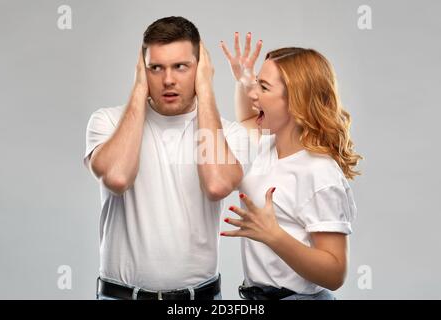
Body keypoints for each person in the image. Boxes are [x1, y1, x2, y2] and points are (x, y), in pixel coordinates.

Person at [83, 17, 247, 300]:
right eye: (155, 68)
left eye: (180, 67)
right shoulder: (107, 122)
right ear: (141, 70)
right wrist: (138, 89)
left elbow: (217, 185)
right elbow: (118, 178)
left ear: (201, 68)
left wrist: (206, 90)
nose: (168, 79)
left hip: (199, 300)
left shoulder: (228, 133)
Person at [220, 32, 362, 300]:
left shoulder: (319, 172)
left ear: (296, 101)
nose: (253, 93)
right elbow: (248, 118)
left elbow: (335, 274)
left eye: (263, 87)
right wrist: (243, 80)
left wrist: (274, 236)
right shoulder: (266, 145)